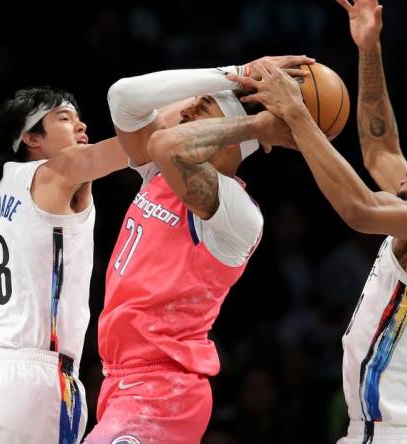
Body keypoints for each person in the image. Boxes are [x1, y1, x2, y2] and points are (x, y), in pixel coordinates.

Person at [229, 6, 407, 439]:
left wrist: (298, 116)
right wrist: (369, 48)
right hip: (392, 429)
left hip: (398, 431)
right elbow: (379, 150)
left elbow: (361, 210)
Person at [84, 56, 311, 444]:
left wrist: (257, 123)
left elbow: (167, 143)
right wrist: (238, 73)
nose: (183, 109)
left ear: (230, 133)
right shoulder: (158, 172)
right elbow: (122, 96)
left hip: (166, 389)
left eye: (199, 107)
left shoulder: (239, 216)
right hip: (120, 380)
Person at [0, 86, 128, 443]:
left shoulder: (0, 203)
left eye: (80, 120)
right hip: (34, 384)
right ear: (31, 137)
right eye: (65, 119)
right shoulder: (59, 171)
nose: (81, 127)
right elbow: (143, 145)